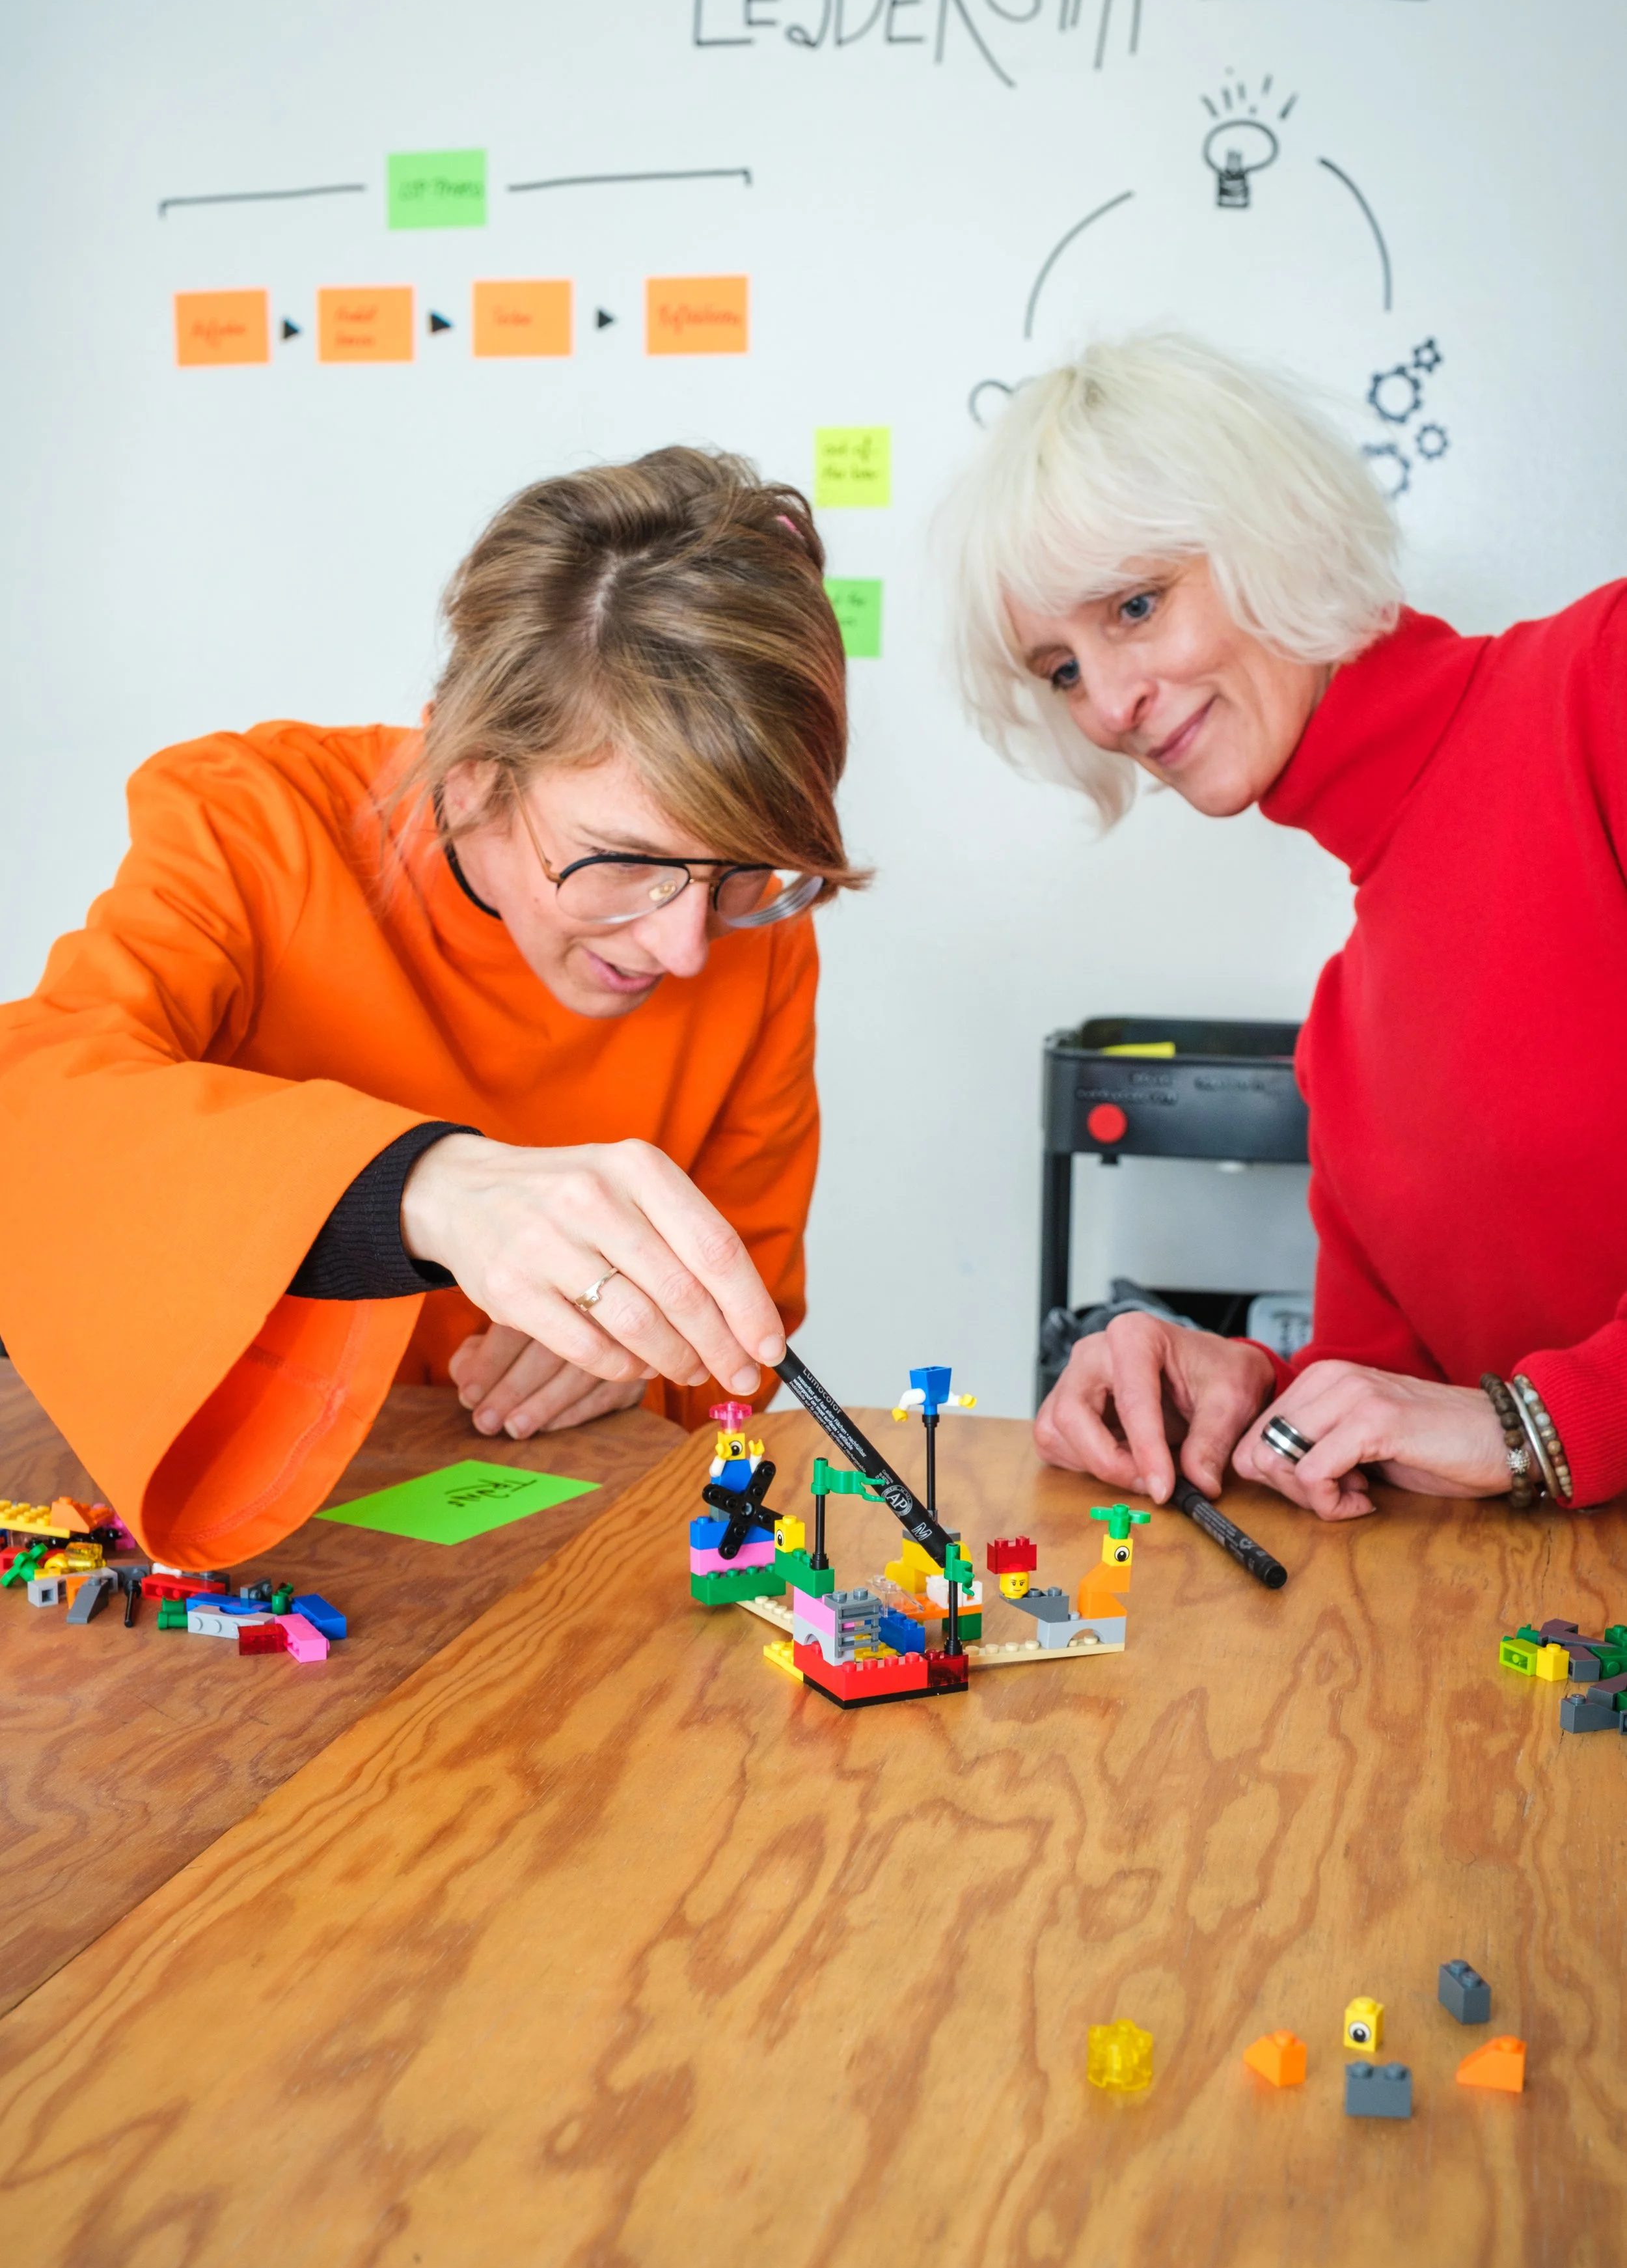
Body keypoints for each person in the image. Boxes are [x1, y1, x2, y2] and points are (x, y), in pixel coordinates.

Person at [0, 449, 862, 1566]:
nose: (686, 946)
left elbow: (745, 1337)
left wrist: (638, 1352)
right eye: (623, 863)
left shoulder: (758, 936)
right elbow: (32, 1127)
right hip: (228, 1544)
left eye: (743, 871)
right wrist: (426, 1186)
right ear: (469, 777)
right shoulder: (257, 831)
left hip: (545, 1564)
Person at [946, 331, 1627, 1521]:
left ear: (1272, 529)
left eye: (1137, 604)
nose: (1108, 706)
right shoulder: (1343, 1038)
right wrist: (1245, 1387)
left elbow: (1498, 1428)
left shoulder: (1601, 688)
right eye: (1061, 668)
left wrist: (1542, 1421)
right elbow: (1405, 1423)